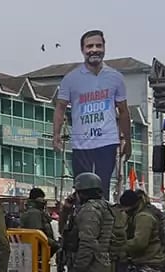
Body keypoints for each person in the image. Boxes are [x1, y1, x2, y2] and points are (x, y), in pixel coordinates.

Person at [52, 30, 131, 199]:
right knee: (82, 189)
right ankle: (83, 221)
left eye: (98, 45)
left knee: (102, 189)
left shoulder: (116, 77)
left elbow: (123, 111)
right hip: (81, 144)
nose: (94, 50)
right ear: (82, 50)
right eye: (89, 46)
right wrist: (56, 135)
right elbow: (60, 108)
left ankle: (104, 221)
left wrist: (128, 141)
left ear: (104, 48)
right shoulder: (71, 79)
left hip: (107, 142)